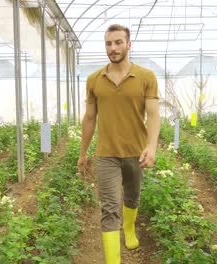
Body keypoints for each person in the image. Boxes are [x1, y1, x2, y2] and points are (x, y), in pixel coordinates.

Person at [77, 24, 160, 264]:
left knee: (132, 196)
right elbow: (89, 118)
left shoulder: (146, 77)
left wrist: (151, 147)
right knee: (109, 208)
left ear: (128, 44)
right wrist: (83, 153)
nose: (113, 48)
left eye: (118, 42)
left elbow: (154, 115)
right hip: (106, 155)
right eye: (108, 43)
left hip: (136, 152)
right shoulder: (94, 80)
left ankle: (130, 228)